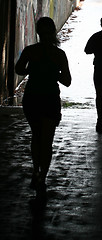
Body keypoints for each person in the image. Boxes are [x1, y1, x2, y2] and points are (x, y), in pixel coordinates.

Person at [15, 17, 71, 193]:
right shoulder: (59, 54)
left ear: (38, 32)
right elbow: (68, 81)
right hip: (49, 99)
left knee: (36, 136)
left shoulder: (30, 51)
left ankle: (36, 171)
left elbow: (18, 69)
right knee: (46, 140)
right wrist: (54, 73)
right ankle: (42, 176)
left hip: (32, 98)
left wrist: (32, 69)